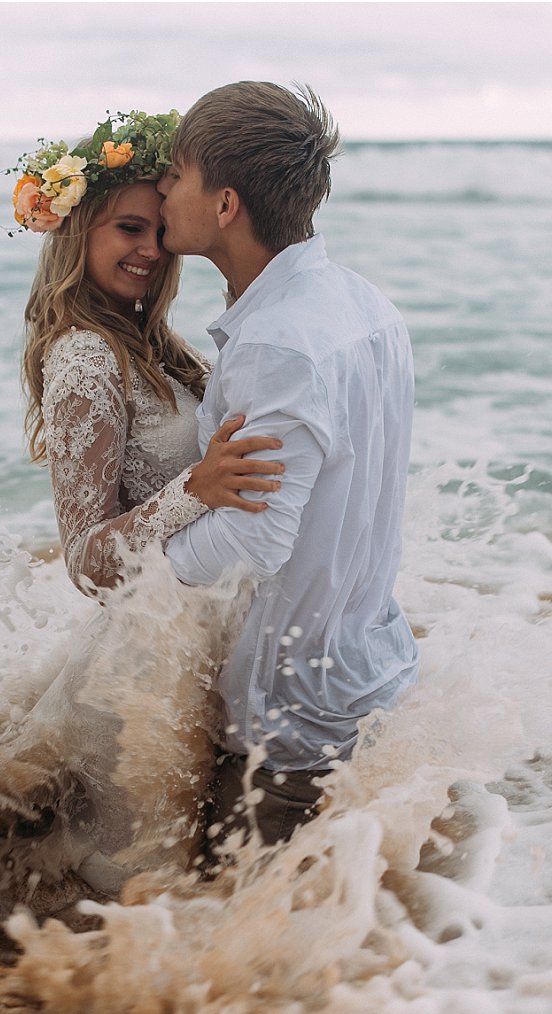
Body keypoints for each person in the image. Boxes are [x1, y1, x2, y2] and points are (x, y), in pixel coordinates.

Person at [0, 110, 284, 893]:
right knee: (136, 903)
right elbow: (88, 563)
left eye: (160, 231)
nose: (150, 251)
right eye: (127, 228)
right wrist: (198, 488)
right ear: (76, 231)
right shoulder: (86, 356)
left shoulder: (154, 345)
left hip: (187, 663)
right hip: (140, 682)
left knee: (199, 897)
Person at [156, 82, 420, 854]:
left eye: (177, 174)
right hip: (367, 670)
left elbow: (253, 541)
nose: (165, 189)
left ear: (226, 203)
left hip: (290, 719)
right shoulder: (367, 305)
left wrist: (136, 564)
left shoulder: (280, 342)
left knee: (221, 959)